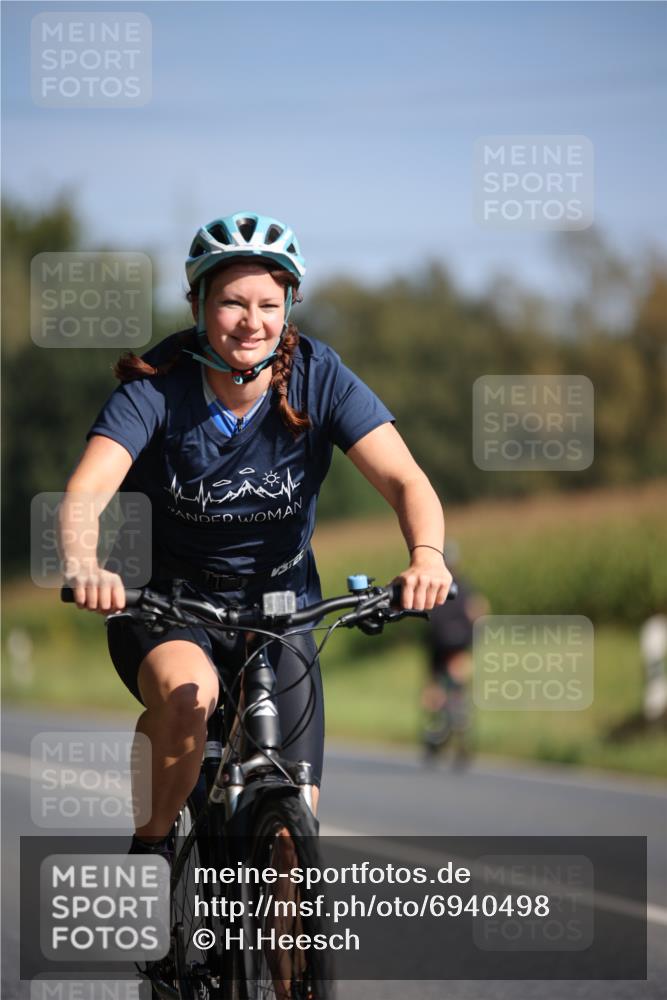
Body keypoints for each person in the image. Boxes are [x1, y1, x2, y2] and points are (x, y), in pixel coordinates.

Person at [59, 211, 453, 855]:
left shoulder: (318, 376)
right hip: (167, 601)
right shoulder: (157, 388)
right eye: (232, 302)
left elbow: (408, 482)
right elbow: (86, 492)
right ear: (197, 305)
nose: (252, 321)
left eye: (270, 303)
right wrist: (83, 562)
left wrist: (427, 557)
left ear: (290, 304)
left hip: (281, 604)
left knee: (295, 827)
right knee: (190, 701)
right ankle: (153, 852)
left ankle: (282, 952)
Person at [420, 541, 488, 762]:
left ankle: (436, 730)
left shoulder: (432, 585)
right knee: (458, 689)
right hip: (459, 646)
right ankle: (460, 726)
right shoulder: (464, 586)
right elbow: (478, 611)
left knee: (435, 691)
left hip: (439, 645)